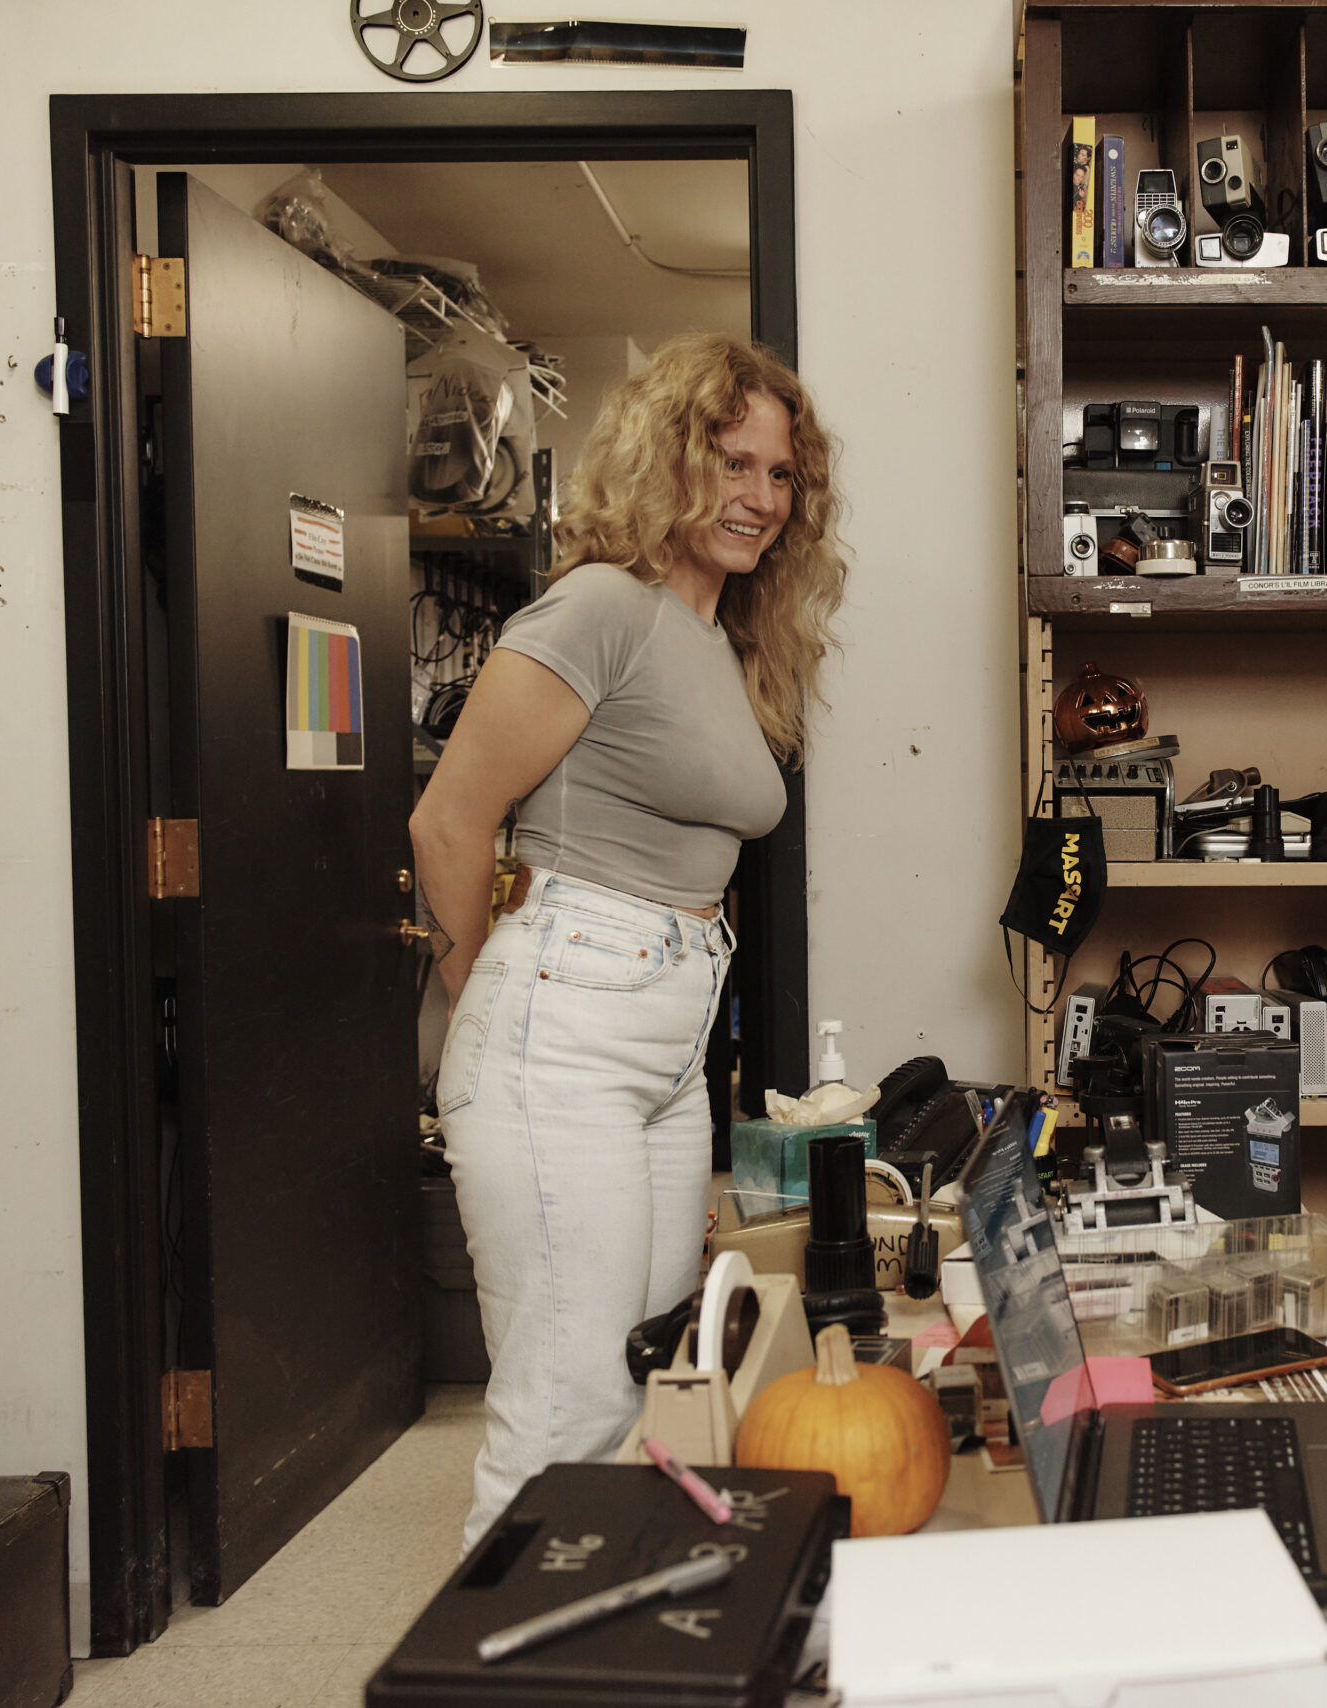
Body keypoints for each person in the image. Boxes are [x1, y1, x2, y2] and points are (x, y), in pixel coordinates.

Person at [409, 334, 845, 1549]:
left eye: (780, 474)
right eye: (731, 461)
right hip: (563, 1022)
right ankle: (490, 1672)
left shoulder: (726, 641)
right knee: (563, 1398)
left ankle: (608, 1648)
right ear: (667, 458)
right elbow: (448, 818)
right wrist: (485, 989)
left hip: (664, 1046)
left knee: (654, 1383)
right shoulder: (602, 606)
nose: (758, 497)